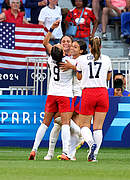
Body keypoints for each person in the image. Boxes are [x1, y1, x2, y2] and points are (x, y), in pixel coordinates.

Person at [28, 21, 74, 161]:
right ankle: (66, 151)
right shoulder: (69, 62)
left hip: (52, 94)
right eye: (60, 44)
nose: (59, 44)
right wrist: (73, 67)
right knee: (65, 123)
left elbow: (45, 42)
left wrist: (51, 29)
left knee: (44, 123)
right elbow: (80, 71)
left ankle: (34, 149)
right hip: (65, 95)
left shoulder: (50, 60)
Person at [44, 40, 87, 161]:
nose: (71, 48)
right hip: (67, 94)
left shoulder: (82, 60)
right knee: (59, 122)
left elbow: (86, 73)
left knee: (65, 122)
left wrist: (72, 67)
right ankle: (54, 152)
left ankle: (71, 152)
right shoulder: (67, 59)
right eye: (71, 45)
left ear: (81, 50)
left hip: (76, 93)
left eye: (75, 46)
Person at [76, 36, 112, 162]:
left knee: (83, 125)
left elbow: (79, 77)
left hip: (88, 92)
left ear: (89, 46)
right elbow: (108, 78)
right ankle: (94, 155)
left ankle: (91, 143)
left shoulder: (81, 59)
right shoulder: (107, 59)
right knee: (98, 127)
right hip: (102, 93)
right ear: (100, 46)